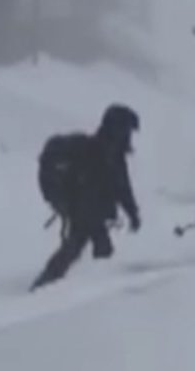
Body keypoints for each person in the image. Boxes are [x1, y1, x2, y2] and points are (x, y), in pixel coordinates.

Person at [32, 103, 143, 290]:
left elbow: (122, 187)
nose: (129, 137)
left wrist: (132, 213)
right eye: (127, 131)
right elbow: (101, 191)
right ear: (117, 130)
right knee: (86, 245)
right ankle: (54, 286)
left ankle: (50, 283)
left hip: (86, 209)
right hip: (82, 208)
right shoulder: (93, 153)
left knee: (80, 245)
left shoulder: (112, 155)